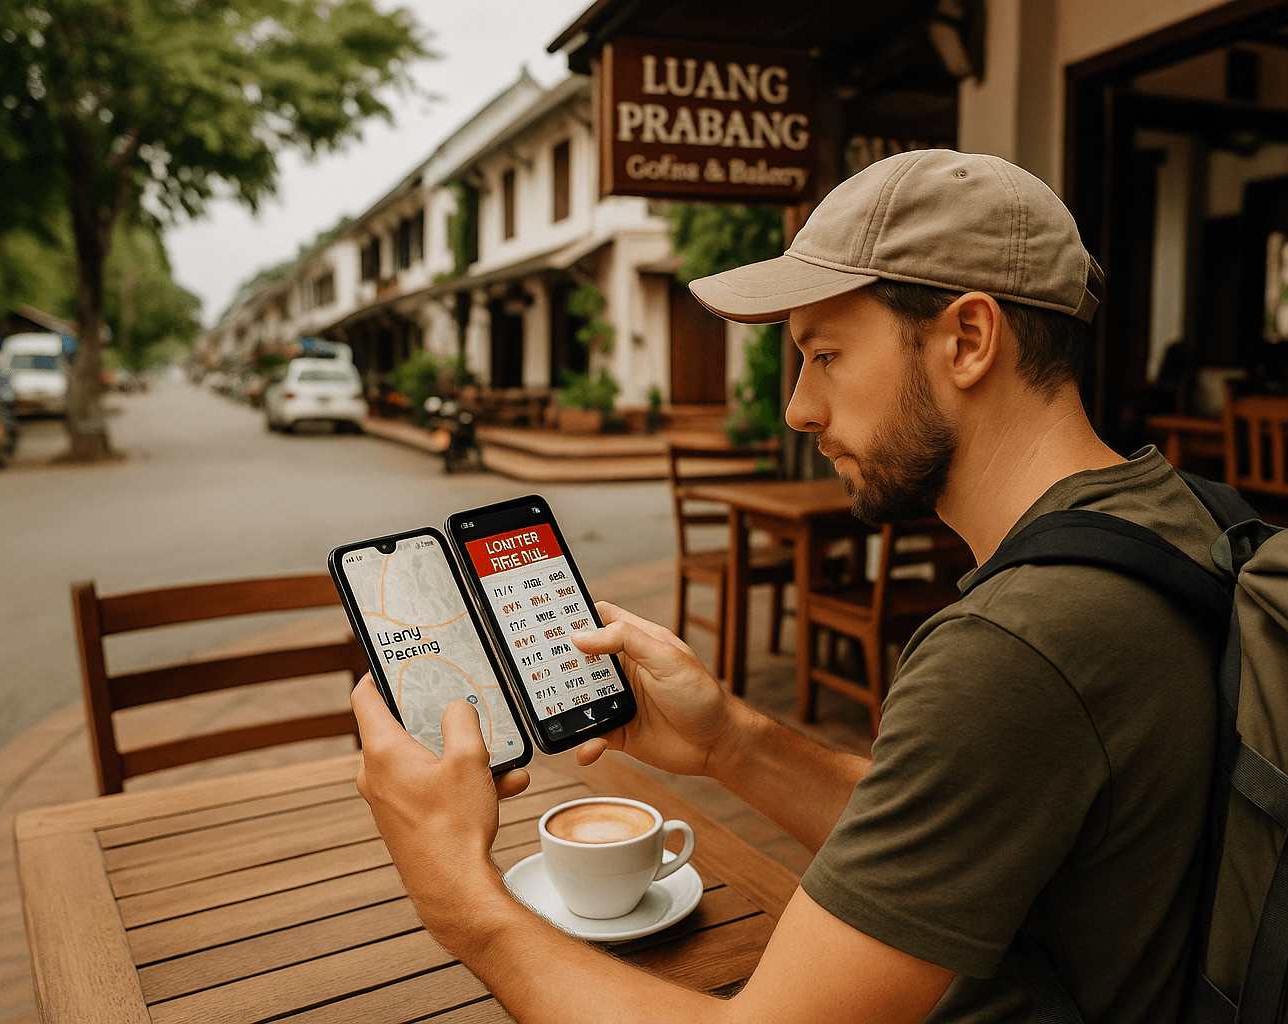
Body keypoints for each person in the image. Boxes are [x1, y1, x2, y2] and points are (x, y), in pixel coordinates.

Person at [352, 150, 1224, 1024]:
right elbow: (951, 816)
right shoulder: (1187, 518)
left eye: (826, 354)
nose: (798, 408)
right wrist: (729, 741)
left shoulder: (1017, 649)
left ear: (967, 340)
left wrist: (457, 893)